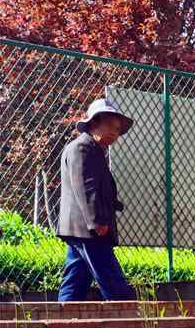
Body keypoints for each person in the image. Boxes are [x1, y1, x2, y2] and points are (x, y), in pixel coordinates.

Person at [57, 98, 136, 301]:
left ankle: (61, 321)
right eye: (110, 125)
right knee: (111, 278)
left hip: (80, 229)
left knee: (76, 279)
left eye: (118, 130)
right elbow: (86, 186)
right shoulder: (83, 148)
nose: (115, 133)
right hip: (88, 228)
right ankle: (130, 322)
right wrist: (97, 220)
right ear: (93, 123)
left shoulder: (92, 149)